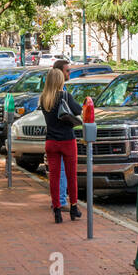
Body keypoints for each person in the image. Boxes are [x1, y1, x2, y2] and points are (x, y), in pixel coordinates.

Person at [40, 66, 83, 224]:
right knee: (72, 177)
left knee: (54, 177)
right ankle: (73, 208)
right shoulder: (65, 95)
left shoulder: (43, 98)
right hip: (67, 141)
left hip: (51, 142)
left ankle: (57, 210)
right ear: (59, 81)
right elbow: (78, 110)